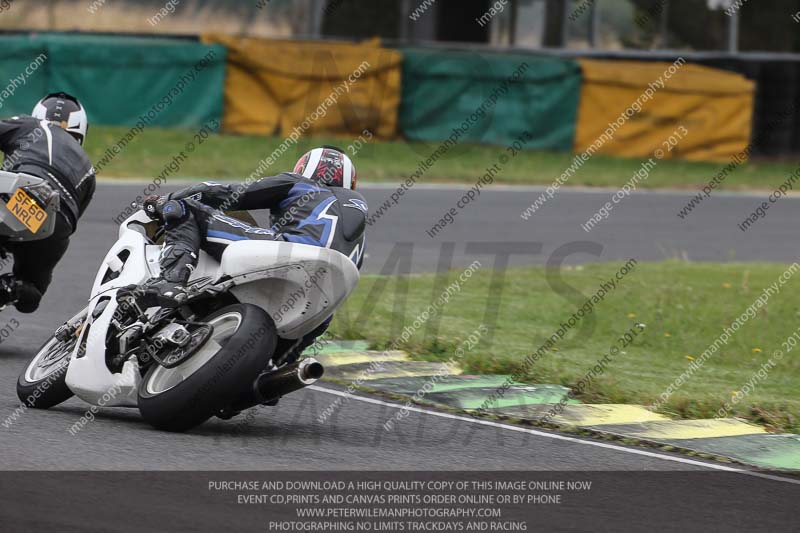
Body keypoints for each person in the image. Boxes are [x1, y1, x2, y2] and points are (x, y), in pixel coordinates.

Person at [140, 146, 367, 366]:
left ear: (305, 168)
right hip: (322, 299)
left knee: (182, 208)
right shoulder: (359, 218)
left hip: (288, 250)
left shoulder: (299, 183)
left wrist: (163, 201)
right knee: (324, 317)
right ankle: (277, 369)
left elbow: (225, 193)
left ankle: (171, 282)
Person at [0, 92, 95, 313]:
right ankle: (12, 288)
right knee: (31, 296)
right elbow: (70, 223)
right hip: (51, 220)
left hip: (16, 191)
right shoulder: (90, 171)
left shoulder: (31, 124)